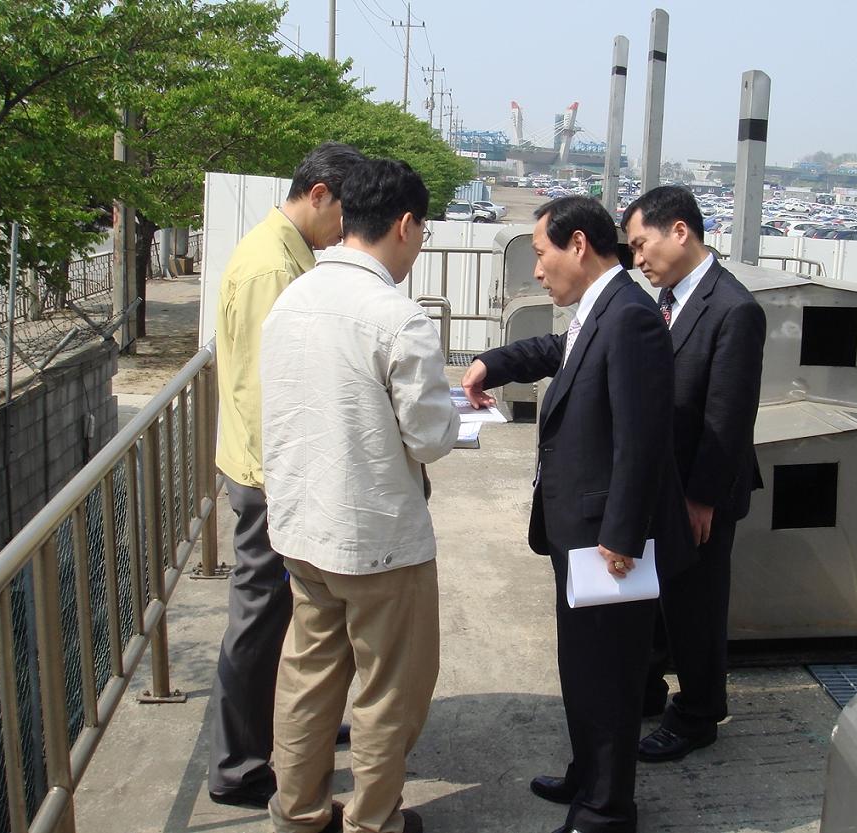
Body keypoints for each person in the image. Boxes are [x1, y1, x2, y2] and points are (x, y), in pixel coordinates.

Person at [461, 196, 692, 833]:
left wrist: (621, 538)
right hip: (579, 531)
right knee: (582, 666)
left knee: (611, 678)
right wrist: (494, 363)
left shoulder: (632, 318)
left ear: (579, 246)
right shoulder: (603, 309)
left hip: (606, 539)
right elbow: (561, 349)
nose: (537, 272)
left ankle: (607, 809)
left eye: (541, 255)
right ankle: (587, 773)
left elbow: (644, 442)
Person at [260, 158, 459, 833]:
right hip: (379, 542)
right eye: (422, 230)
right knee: (388, 692)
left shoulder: (291, 297)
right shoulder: (396, 317)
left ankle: (299, 811)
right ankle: (374, 820)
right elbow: (430, 437)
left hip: (300, 530)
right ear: (403, 225)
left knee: (308, 679)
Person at [209, 142, 367, 808]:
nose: (346, 231)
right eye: (344, 214)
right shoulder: (273, 266)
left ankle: (294, 731)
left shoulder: (286, 252)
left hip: (268, 465)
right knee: (260, 612)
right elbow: (262, 387)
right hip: (268, 474)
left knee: (287, 610)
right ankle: (241, 766)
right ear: (321, 193)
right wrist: (293, 479)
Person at [621, 186, 766, 763]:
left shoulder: (733, 308)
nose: (638, 259)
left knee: (696, 606)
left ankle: (701, 712)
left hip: (701, 489)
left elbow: (728, 417)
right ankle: (650, 690)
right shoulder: (669, 300)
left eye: (641, 244)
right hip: (665, 482)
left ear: (679, 231)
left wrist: (701, 498)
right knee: (659, 599)